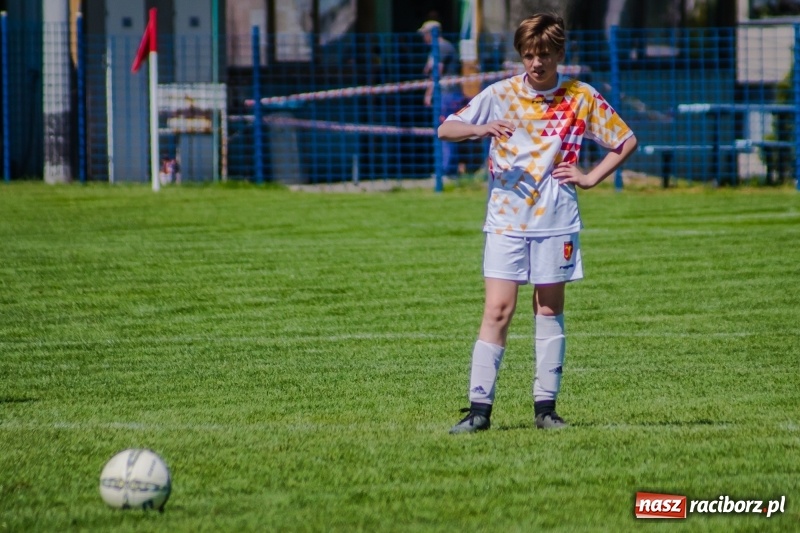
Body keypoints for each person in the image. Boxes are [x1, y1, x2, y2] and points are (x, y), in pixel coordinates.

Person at [438, 13, 638, 433]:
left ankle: (545, 410)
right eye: (528, 55)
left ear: (560, 53)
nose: (536, 63)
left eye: (544, 54)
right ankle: (479, 411)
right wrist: (481, 129)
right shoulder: (500, 93)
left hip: (556, 221)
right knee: (497, 309)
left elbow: (625, 140)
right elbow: (446, 128)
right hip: (507, 221)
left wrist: (589, 177)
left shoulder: (580, 96)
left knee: (548, 309)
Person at [418, 20, 465, 178]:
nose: (423, 37)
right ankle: (446, 168)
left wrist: (428, 93)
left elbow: (435, 72)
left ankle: (446, 170)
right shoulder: (435, 49)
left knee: (446, 130)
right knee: (442, 130)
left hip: (448, 94)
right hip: (444, 94)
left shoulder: (442, 47)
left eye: (425, 33)